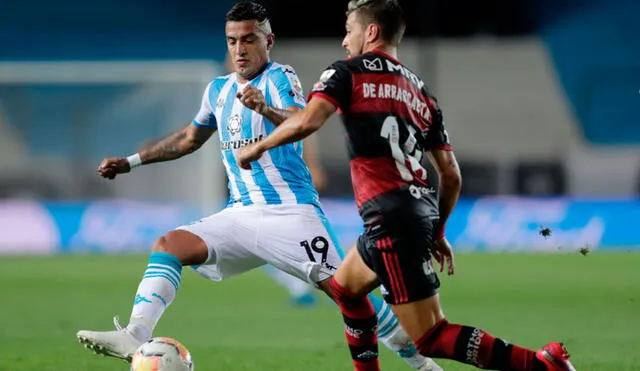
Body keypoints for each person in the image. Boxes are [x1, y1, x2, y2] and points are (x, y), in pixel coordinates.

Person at [75, 2, 442, 370]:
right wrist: (132, 161)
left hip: (291, 214)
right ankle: (137, 333)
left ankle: (423, 365)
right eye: (232, 40)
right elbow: (189, 138)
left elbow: (302, 119)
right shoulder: (217, 90)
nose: (239, 49)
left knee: (348, 293)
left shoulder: (281, 78)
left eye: (249, 39)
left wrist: (265, 108)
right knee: (169, 245)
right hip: (241, 214)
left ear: (269, 41)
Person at [237, 1, 577, 370]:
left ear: (371, 32)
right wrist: (438, 229)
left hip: (388, 217)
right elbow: (451, 174)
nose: (343, 41)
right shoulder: (421, 92)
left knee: (431, 336)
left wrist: (259, 146)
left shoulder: (346, 73)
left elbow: (307, 122)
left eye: (349, 30)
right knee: (346, 290)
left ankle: (542, 365)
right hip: (412, 211)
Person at [226, 52, 323, 307]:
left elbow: (300, 127)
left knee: (295, 246)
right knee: (265, 246)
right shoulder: (226, 94)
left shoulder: (270, 90)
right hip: (250, 191)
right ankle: (303, 287)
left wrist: (312, 165)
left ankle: (331, 283)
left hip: (285, 189)